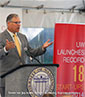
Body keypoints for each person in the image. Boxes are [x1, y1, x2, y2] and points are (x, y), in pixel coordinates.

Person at [0, 13, 53, 97]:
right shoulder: (1, 37)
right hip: (8, 79)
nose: (19, 25)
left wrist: (42, 48)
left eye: (19, 22)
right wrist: (6, 49)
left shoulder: (22, 37)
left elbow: (30, 52)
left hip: (22, 78)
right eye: (16, 23)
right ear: (8, 23)